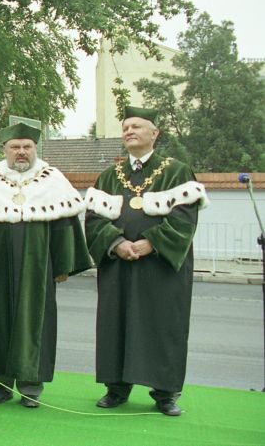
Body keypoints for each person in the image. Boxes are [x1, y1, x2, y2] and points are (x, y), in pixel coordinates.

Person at [0, 122, 92, 408]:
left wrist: (63, 264)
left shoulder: (53, 179)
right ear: (4, 149)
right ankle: (0, 385)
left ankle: (31, 386)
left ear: (35, 149)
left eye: (27, 146)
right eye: (15, 147)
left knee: (35, 321)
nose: (21, 152)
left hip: (39, 265)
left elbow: (65, 225)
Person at [85, 105, 207, 417]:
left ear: (155, 133)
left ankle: (165, 393)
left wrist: (150, 243)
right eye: (126, 127)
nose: (129, 132)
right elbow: (94, 219)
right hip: (119, 265)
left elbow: (184, 219)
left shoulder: (177, 171)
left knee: (164, 325)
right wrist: (117, 243)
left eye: (137, 127)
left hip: (161, 268)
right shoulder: (109, 176)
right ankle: (116, 389)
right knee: (116, 322)